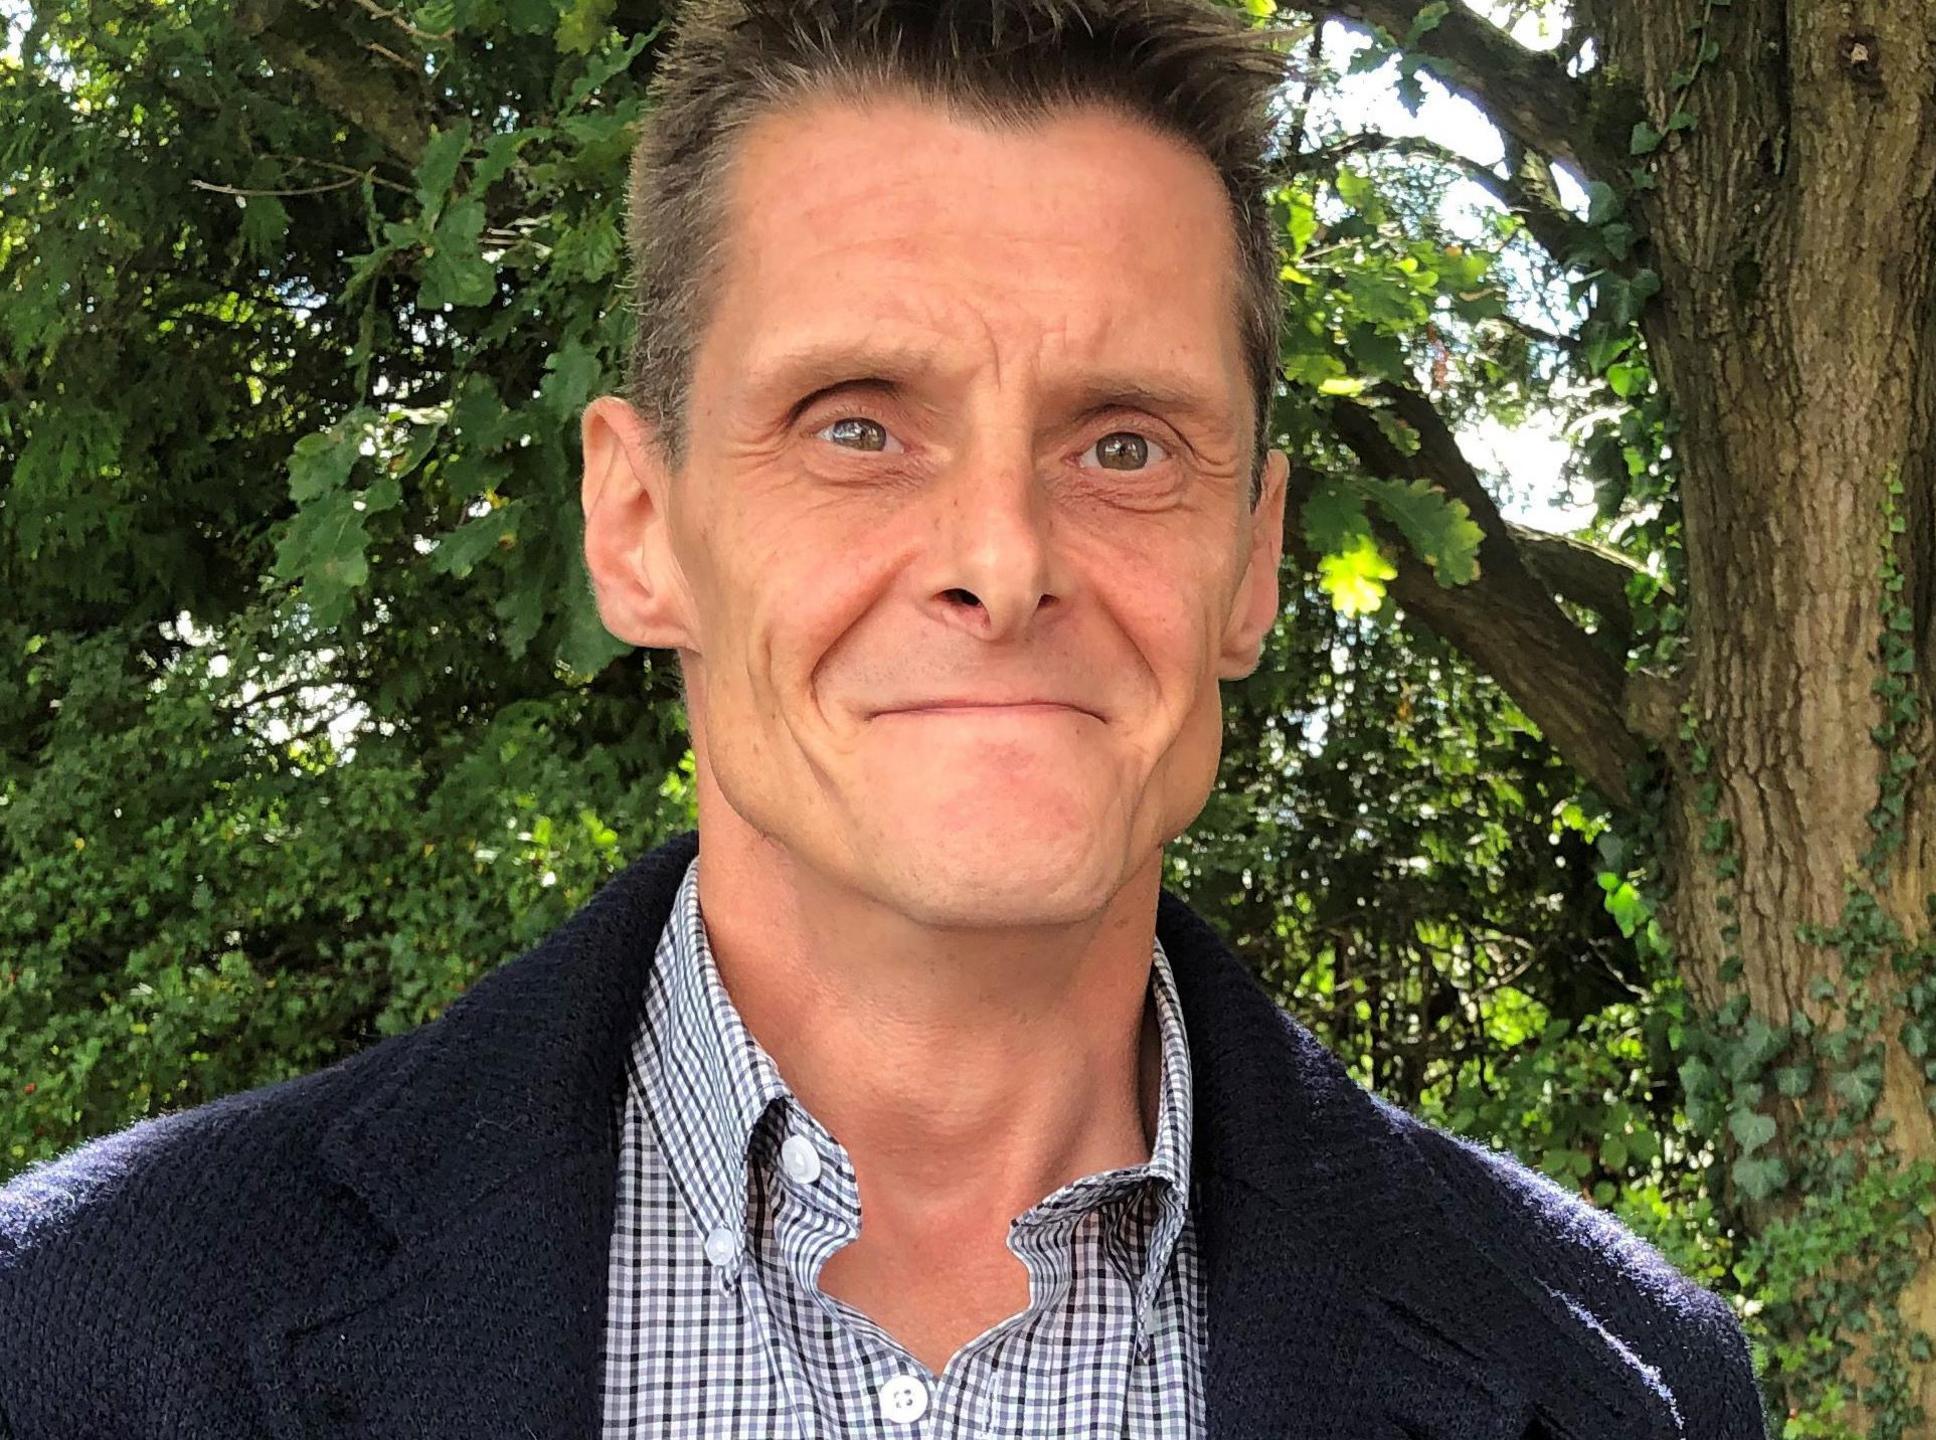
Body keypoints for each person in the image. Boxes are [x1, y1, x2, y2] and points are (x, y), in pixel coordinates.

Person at [0, 1, 1766, 1434]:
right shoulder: (77, 1342)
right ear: (638, 526)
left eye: (1124, 444)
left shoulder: (1622, 1385)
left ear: (1250, 564)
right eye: (858, 423)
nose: (1003, 561)